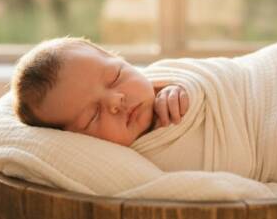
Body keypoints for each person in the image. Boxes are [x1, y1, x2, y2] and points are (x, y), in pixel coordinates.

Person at [11, 36, 189, 147]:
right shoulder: (116, 167)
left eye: (115, 77)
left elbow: (209, 77)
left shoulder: (171, 82)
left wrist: (185, 88)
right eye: (93, 115)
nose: (115, 101)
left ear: (123, 60)